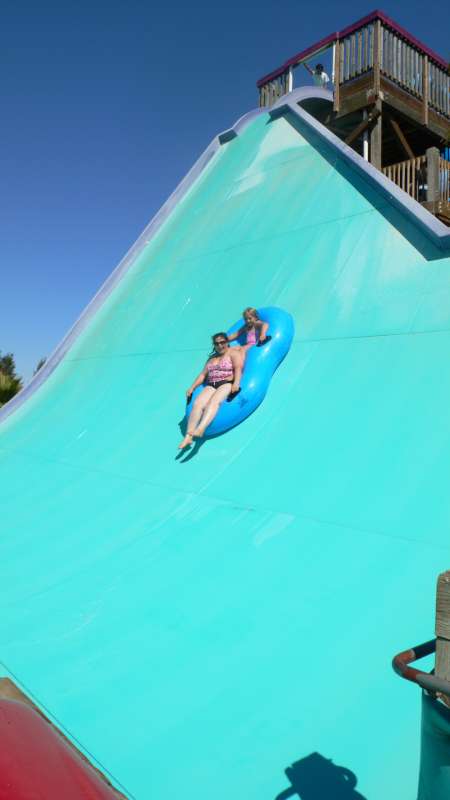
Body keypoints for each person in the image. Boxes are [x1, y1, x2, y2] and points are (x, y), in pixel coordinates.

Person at [178, 333, 242, 450]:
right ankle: (188, 436)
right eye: (217, 344)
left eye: (222, 342)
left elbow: (238, 368)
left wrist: (236, 383)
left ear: (227, 342)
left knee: (214, 402)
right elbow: (203, 375)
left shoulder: (233, 353)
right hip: (211, 384)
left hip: (226, 382)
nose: (220, 345)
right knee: (197, 404)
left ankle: (201, 428)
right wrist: (192, 387)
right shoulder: (212, 358)